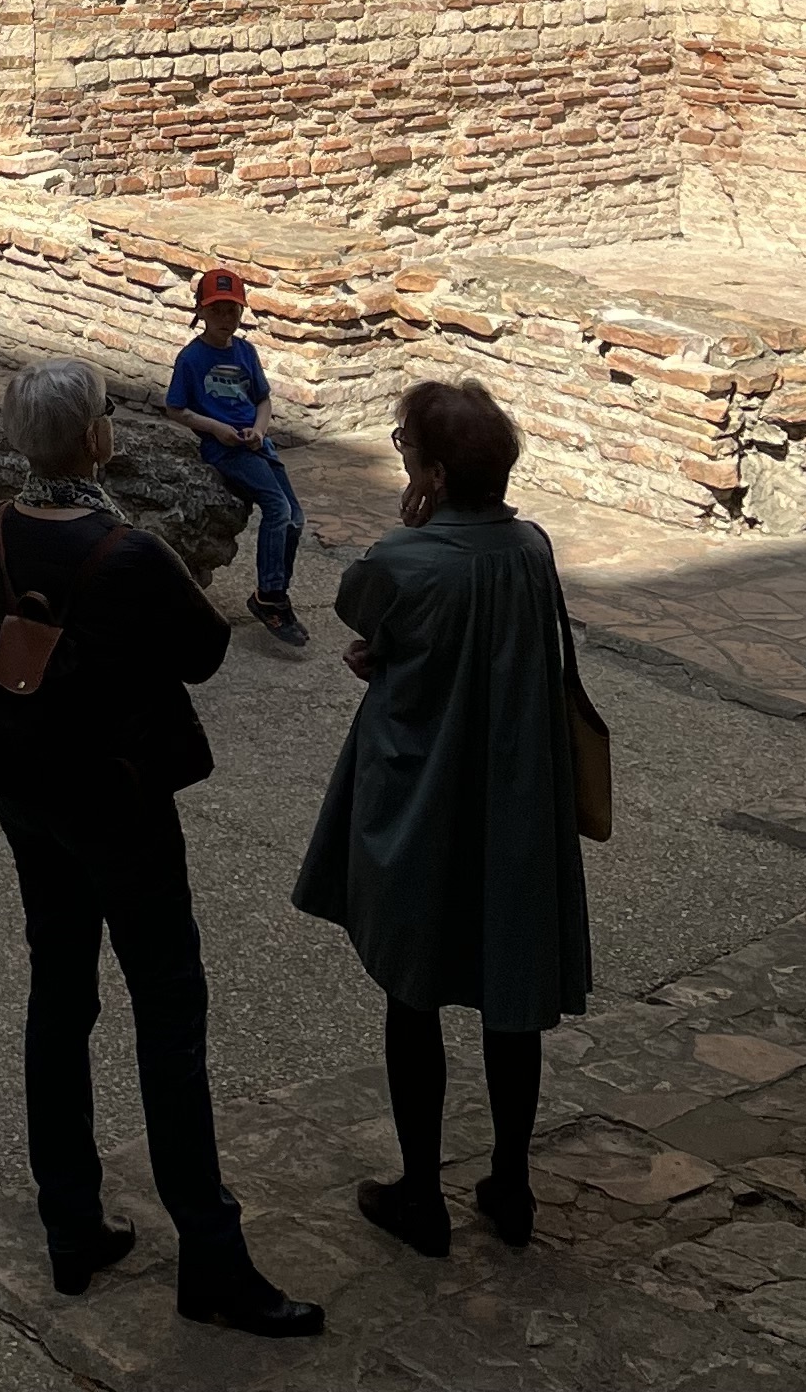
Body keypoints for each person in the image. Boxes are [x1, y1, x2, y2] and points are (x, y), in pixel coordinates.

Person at [0, 355, 326, 1339]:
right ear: (94, 437)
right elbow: (205, 653)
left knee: (60, 996)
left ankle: (71, 1221)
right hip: (116, 802)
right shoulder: (127, 551)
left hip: (31, 789)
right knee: (169, 1013)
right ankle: (210, 1251)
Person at [292, 377, 590, 1257]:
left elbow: (364, 610)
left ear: (435, 474)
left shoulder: (403, 557)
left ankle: (421, 1190)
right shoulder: (530, 548)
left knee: (413, 990)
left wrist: (409, 527)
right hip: (514, 793)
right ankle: (511, 1180)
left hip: (424, 791)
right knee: (510, 993)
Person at [165, 268, 309, 652]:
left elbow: (263, 400)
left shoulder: (246, 352)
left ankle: (276, 591)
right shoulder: (192, 358)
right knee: (277, 508)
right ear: (200, 311)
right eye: (217, 310)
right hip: (225, 448)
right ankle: (270, 596)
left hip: (256, 444)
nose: (225, 318)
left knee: (296, 517)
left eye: (232, 310)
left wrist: (260, 431)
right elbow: (176, 408)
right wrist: (215, 428)